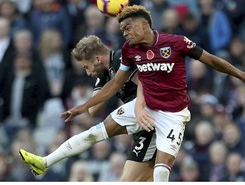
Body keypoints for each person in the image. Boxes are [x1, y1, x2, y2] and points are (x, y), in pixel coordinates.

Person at [55, 5, 245, 181]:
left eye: (128, 28)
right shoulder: (129, 51)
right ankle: (47, 161)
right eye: (122, 30)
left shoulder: (176, 43)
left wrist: (243, 76)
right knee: (127, 170)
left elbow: (211, 60)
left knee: (158, 172)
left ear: (145, 25)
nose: (125, 34)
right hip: (146, 113)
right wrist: (83, 106)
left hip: (173, 114)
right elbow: (114, 85)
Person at [19, 35, 156, 181]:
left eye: (86, 66)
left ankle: (44, 162)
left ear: (97, 59)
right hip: (143, 129)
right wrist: (106, 87)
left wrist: (121, 91)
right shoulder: (103, 76)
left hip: (149, 111)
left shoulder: (121, 59)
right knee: (130, 180)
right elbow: (93, 110)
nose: (88, 73)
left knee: (94, 133)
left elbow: (146, 82)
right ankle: (44, 163)